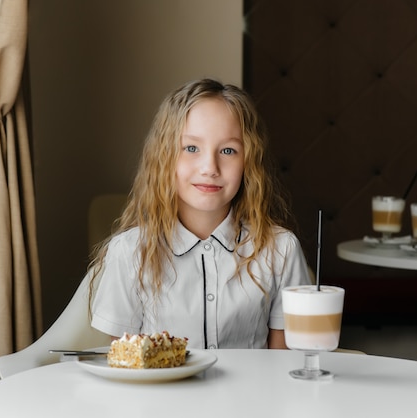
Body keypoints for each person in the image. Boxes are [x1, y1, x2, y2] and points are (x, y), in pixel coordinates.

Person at [89, 78, 312, 349]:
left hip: (253, 393)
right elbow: (127, 363)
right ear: (164, 155)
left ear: (248, 161)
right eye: (191, 148)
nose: (210, 167)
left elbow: (284, 364)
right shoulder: (129, 252)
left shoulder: (281, 249)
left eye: (228, 150)